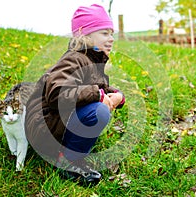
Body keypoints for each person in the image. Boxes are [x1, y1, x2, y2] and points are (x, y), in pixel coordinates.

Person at [25, 4, 125, 185]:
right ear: (84, 35)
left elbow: (98, 87)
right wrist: (98, 95)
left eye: (111, 33)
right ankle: (68, 161)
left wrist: (118, 95)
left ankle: (71, 149)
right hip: (43, 126)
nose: (111, 39)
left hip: (54, 124)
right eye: (104, 33)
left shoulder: (93, 61)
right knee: (99, 110)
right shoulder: (74, 58)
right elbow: (57, 94)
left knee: (98, 106)